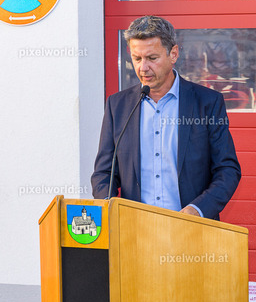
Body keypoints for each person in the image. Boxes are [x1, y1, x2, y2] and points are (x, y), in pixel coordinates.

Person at [91, 16, 241, 220]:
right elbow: (103, 173)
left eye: (152, 58)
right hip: (134, 230)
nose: (143, 68)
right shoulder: (117, 106)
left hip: (191, 228)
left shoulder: (207, 102)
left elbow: (227, 170)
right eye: (137, 58)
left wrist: (197, 209)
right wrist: (109, 206)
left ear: (173, 54)